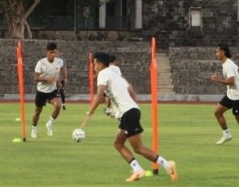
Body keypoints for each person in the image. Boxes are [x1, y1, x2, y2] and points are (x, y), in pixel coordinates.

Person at [82, 52, 177, 183]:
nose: (93, 66)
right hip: (129, 112)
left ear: (100, 64)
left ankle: (167, 165)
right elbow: (129, 90)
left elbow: (99, 96)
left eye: (94, 64)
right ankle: (138, 170)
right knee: (118, 143)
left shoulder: (103, 74)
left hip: (128, 113)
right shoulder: (114, 73)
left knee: (138, 148)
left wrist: (90, 111)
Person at [209, 44, 239, 147]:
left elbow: (232, 81)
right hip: (230, 95)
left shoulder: (227, 65)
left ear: (223, 52)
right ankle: (227, 134)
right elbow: (238, 70)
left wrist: (218, 80)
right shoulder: (228, 62)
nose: (216, 54)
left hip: (238, 97)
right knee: (218, 112)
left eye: (218, 51)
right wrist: (236, 72)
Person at [31, 42, 64, 138]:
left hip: (52, 90)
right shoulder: (40, 63)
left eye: (54, 52)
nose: (53, 54)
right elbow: (36, 78)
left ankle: (50, 123)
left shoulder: (59, 62)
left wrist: (58, 80)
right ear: (47, 53)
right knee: (38, 111)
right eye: (51, 52)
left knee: (58, 105)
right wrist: (46, 79)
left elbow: (61, 69)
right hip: (41, 91)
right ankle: (34, 128)